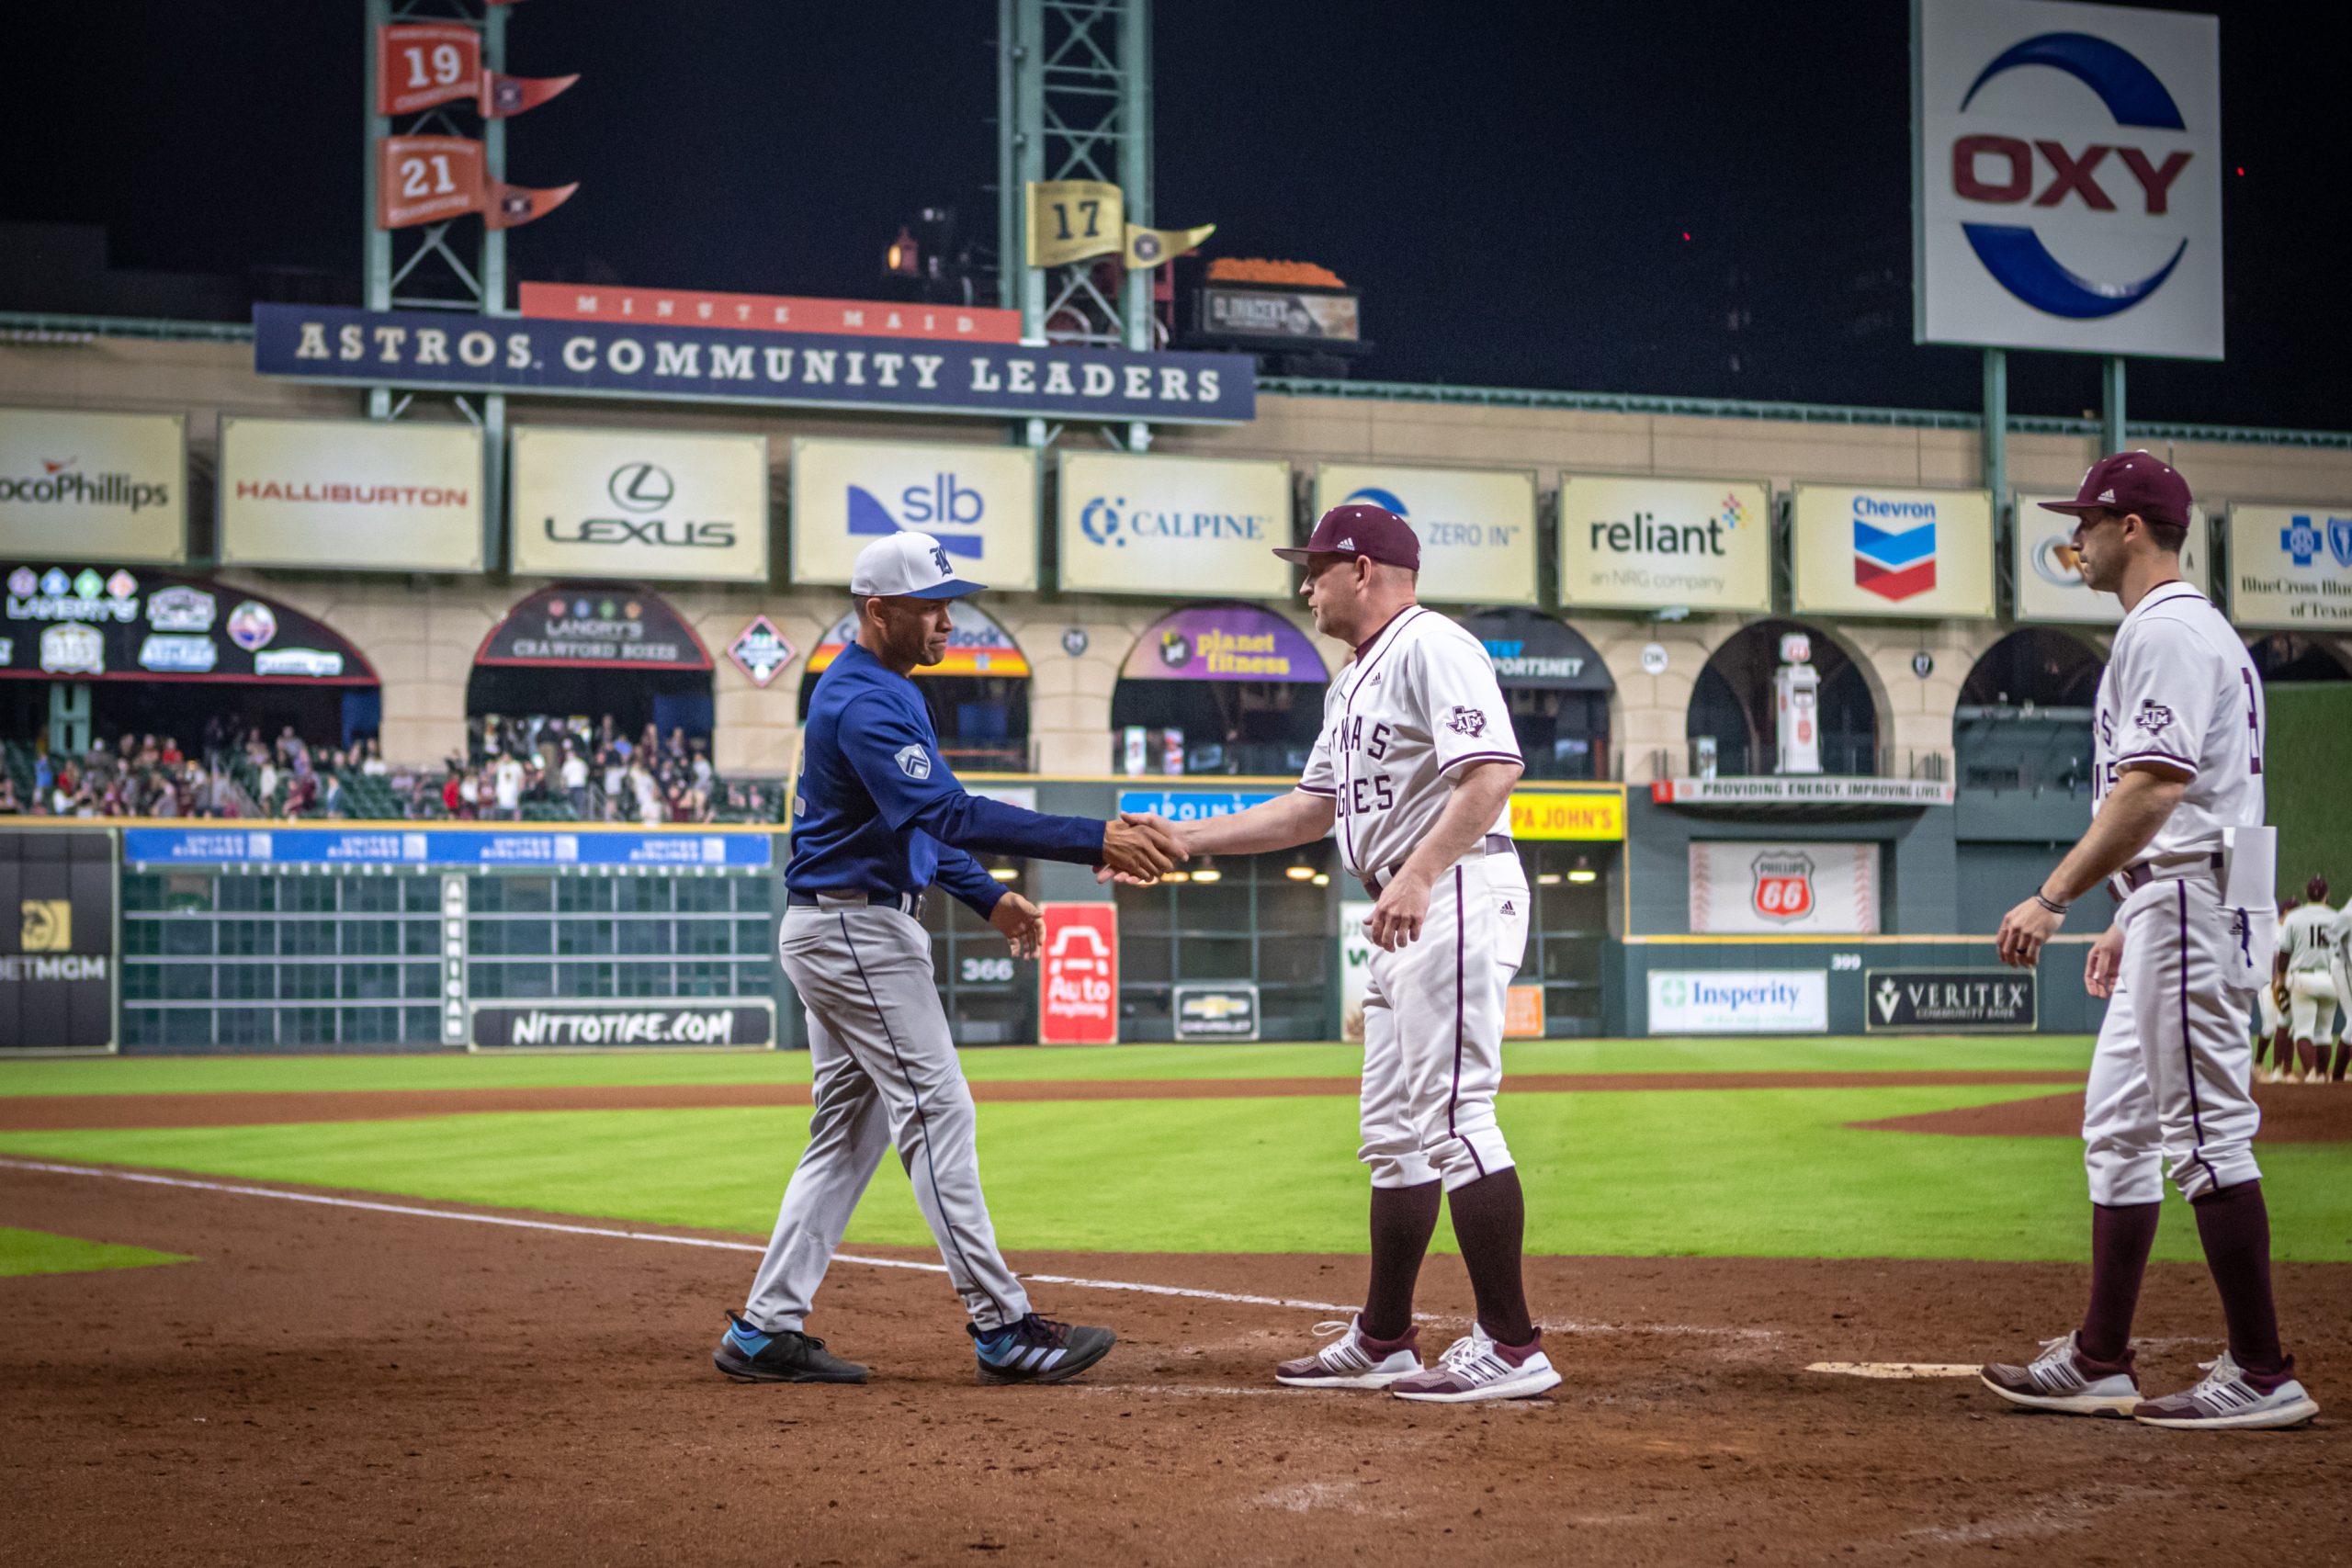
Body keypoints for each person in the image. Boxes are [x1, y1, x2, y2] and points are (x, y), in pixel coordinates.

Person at [1106, 503, 1555, 1404]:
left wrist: (1423, 871)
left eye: (1313, 567)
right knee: (1395, 1142)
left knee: (1458, 1120)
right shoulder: (1349, 682)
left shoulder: (1433, 645)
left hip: (1453, 890)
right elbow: (1309, 810)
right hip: (1400, 907)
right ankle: (1384, 1337)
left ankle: (1511, 1345)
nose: (1302, 584)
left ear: (1361, 568)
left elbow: (1494, 770)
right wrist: (1188, 841)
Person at [716, 530, 1182, 1389]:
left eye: (950, 603)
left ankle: (764, 1329)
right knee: (937, 1110)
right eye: (929, 606)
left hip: (844, 922)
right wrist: (1093, 838)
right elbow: (950, 809)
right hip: (855, 929)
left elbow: (918, 822)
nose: (947, 620)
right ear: (876, 610)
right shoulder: (865, 700)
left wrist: (987, 895)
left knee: (846, 1135)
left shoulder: (880, 689)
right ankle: (1002, 1325)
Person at [1980, 452, 2317, 1430]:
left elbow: (2157, 788)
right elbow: (2190, 800)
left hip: (2190, 898)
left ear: (2132, 528)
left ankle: (2260, 1371)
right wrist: (2128, 912)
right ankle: (2098, 1357)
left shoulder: (2163, 631)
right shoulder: (2189, 629)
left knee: (2206, 1135)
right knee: (2118, 1130)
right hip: (2177, 897)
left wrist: (2056, 896)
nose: (2074, 536)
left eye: (2086, 520)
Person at [2277, 875, 2339, 1084]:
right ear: (2325, 896)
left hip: (2303, 978)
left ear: (2307, 893)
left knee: (2303, 1031)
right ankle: (2322, 1075)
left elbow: (2284, 953)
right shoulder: (2336, 917)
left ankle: (2312, 1074)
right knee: (2324, 1033)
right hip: (2331, 979)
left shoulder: (2294, 917)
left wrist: (2281, 978)